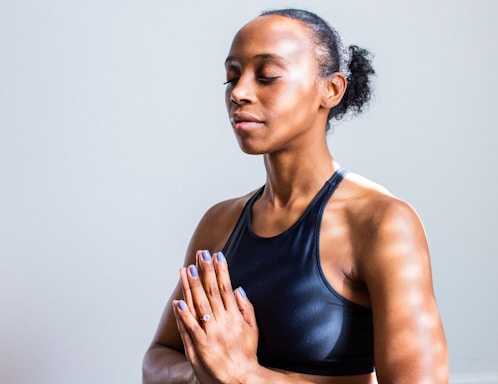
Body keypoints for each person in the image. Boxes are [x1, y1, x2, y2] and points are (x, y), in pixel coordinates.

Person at [142, 8, 449, 384]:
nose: (239, 93)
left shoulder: (381, 223)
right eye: (231, 77)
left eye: (267, 76)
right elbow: (158, 358)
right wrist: (206, 374)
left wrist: (245, 377)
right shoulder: (218, 223)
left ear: (331, 90)